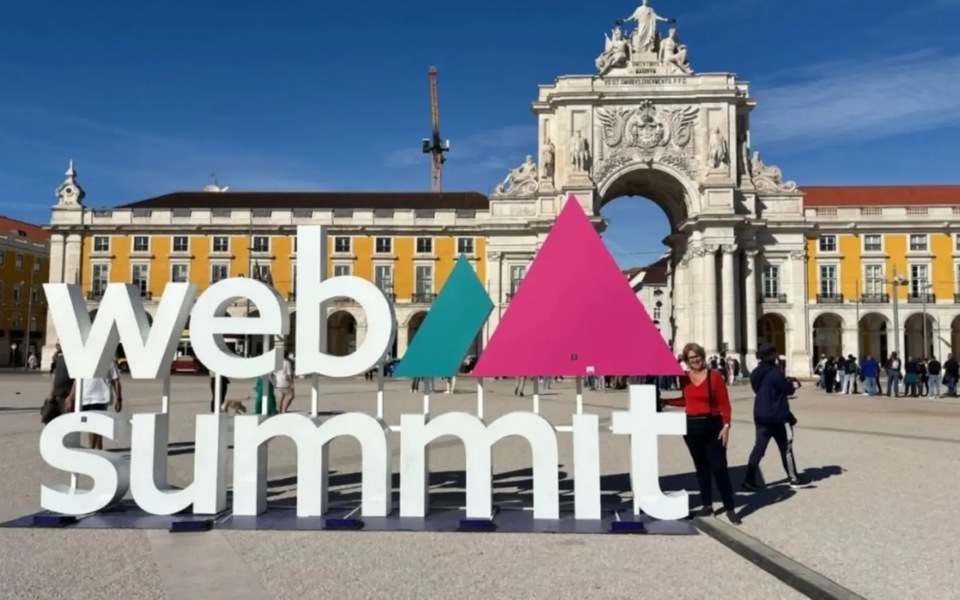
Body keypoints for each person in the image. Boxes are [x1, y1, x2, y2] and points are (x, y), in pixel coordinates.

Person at [673, 343, 740, 525]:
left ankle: (729, 507)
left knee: (719, 468)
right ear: (687, 360)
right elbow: (686, 400)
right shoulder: (684, 378)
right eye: (691, 358)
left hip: (713, 424)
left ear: (702, 356)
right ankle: (707, 505)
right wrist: (666, 401)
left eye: (697, 356)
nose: (695, 360)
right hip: (692, 426)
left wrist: (726, 425)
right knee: (701, 468)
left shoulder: (714, 376)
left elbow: (724, 403)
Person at [743, 343, 811, 491]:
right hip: (778, 416)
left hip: (760, 414)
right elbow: (788, 390)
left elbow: (757, 389)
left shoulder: (755, 373)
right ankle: (793, 478)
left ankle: (749, 479)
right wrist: (793, 384)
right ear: (773, 355)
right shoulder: (775, 373)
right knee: (786, 448)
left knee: (759, 448)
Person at [63, 361, 122, 450]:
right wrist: (70, 397)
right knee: (91, 426)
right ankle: (98, 449)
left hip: (100, 398)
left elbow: (116, 380)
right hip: (85, 397)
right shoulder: (84, 360)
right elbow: (77, 380)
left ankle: (92, 449)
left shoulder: (109, 360)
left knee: (94, 425)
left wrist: (119, 399)